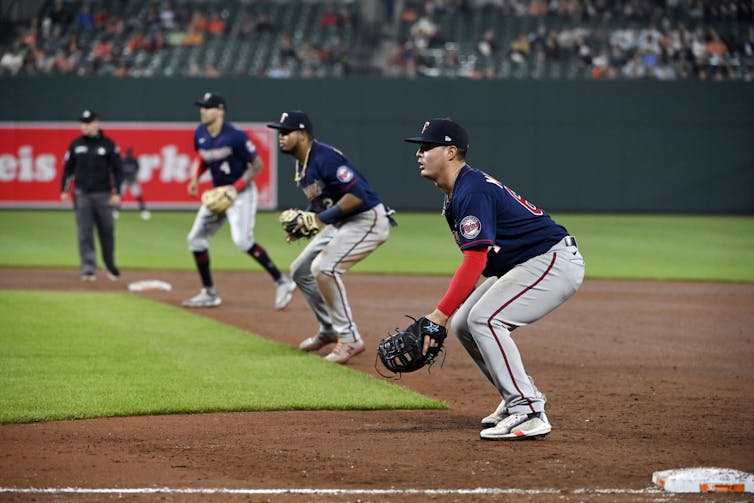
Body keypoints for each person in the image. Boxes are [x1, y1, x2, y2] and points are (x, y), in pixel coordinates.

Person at [403, 118, 585, 440]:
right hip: (527, 263)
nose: (419, 153)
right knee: (465, 325)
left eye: (427, 147)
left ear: (450, 152)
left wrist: (438, 315)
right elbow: (481, 262)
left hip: (550, 260)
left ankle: (528, 411)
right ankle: (515, 394)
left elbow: (475, 260)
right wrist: (447, 317)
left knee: (485, 320)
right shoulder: (456, 194)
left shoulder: (471, 191)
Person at [267, 110, 392, 364]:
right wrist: (306, 223)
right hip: (341, 223)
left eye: (285, 132)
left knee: (324, 268)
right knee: (300, 269)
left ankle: (350, 338)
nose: (280, 137)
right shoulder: (301, 163)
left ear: (302, 134)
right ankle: (329, 330)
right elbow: (323, 202)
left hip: (367, 218)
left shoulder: (325, 158)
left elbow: (356, 196)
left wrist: (317, 219)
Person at [183, 92, 295, 309]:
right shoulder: (200, 134)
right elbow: (204, 158)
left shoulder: (235, 136)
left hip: (242, 193)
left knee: (242, 242)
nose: (203, 111)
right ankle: (209, 293)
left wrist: (235, 189)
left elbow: (258, 165)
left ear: (220, 111)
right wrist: (195, 179)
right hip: (219, 194)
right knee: (195, 240)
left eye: (208, 107)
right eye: (202, 107)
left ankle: (282, 281)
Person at [60, 109, 123, 281]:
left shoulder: (109, 144)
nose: (85, 126)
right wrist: (64, 190)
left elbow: (118, 170)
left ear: (97, 123)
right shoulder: (76, 144)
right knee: (84, 232)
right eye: (83, 123)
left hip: (103, 194)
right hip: (82, 194)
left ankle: (109, 264)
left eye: (88, 122)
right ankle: (88, 268)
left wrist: (117, 192)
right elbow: (68, 168)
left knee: (107, 231)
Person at [116, 146, 151, 221]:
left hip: (133, 181)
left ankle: (144, 211)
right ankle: (116, 211)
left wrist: (134, 177)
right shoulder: (122, 160)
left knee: (138, 196)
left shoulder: (134, 160)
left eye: (130, 153)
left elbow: (137, 169)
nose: (129, 154)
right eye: (128, 153)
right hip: (124, 181)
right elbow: (119, 170)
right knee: (120, 196)